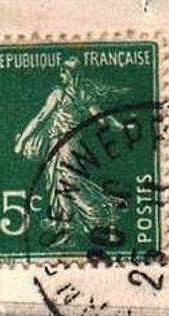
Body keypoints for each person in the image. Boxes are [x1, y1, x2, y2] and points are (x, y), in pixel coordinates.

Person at [14, 57, 127, 247]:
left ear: (70, 73)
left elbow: (40, 118)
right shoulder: (83, 94)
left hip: (61, 143)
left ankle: (88, 218)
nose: (60, 75)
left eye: (63, 72)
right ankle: (70, 227)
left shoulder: (58, 94)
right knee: (68, 183)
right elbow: (100, 117)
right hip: (75, 144)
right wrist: (116, 124)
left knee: (63, 183)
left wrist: (23, 140)